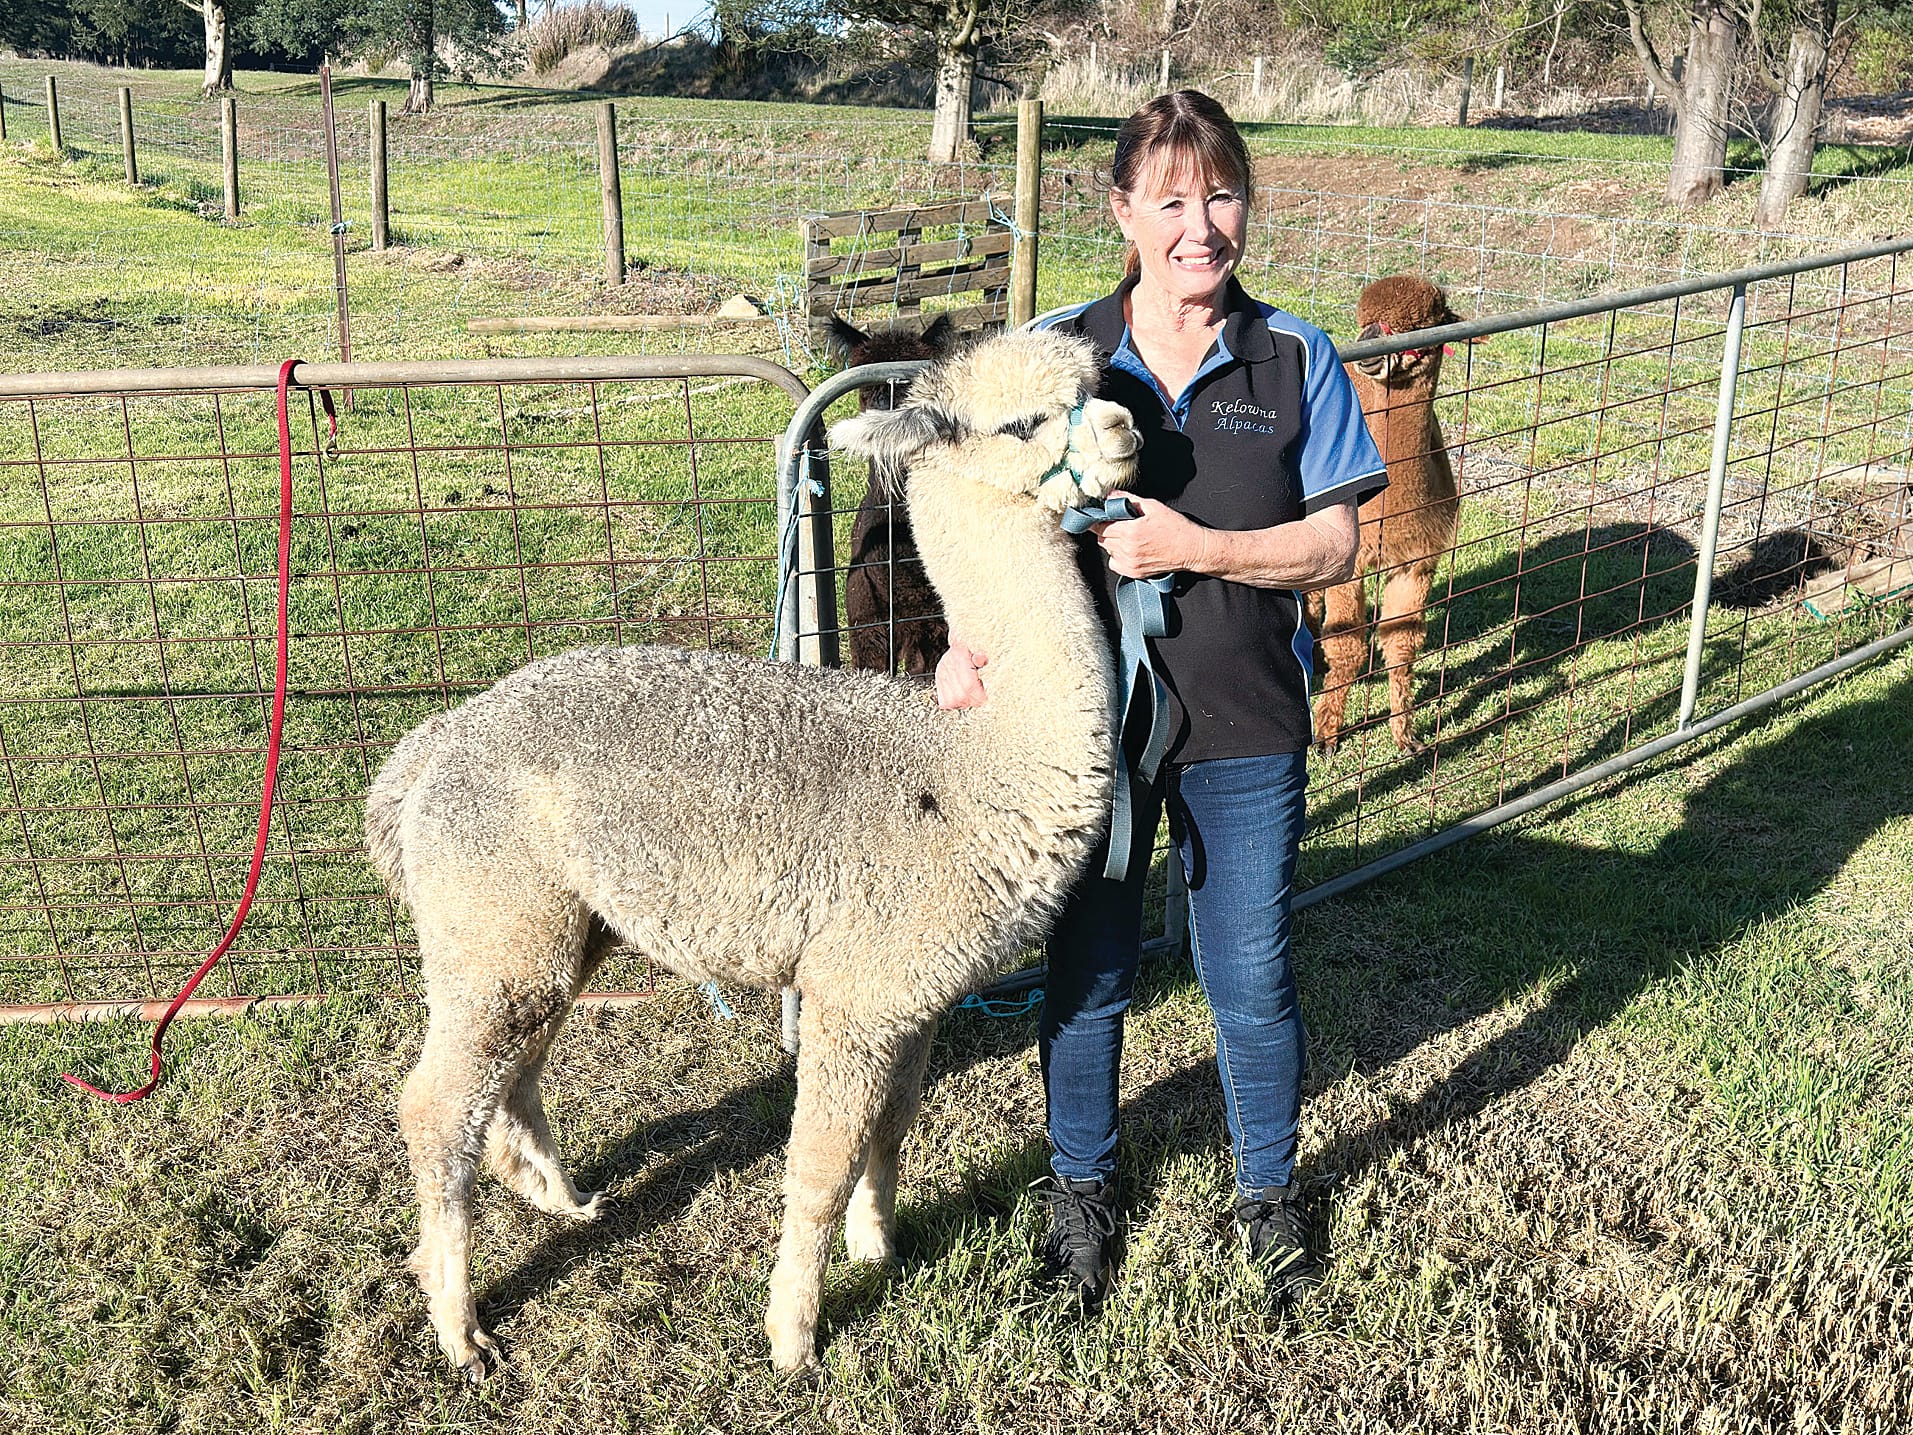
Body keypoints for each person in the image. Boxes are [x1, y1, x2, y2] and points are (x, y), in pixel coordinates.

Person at [935, 90, 1386, 1307]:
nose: (1202, 225)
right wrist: (964, 645)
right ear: (1122, 209)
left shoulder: (1292, 358)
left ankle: (1266, 1196)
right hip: (1080, 734)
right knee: (1088, 968)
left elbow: (1336, 547)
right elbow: (986, 515)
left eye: (1223, 193)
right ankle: (1080, 1194)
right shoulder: (1058, 356)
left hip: (1245, 721)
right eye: (1173, 199)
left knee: (1246, 975)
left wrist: (1202, 545)